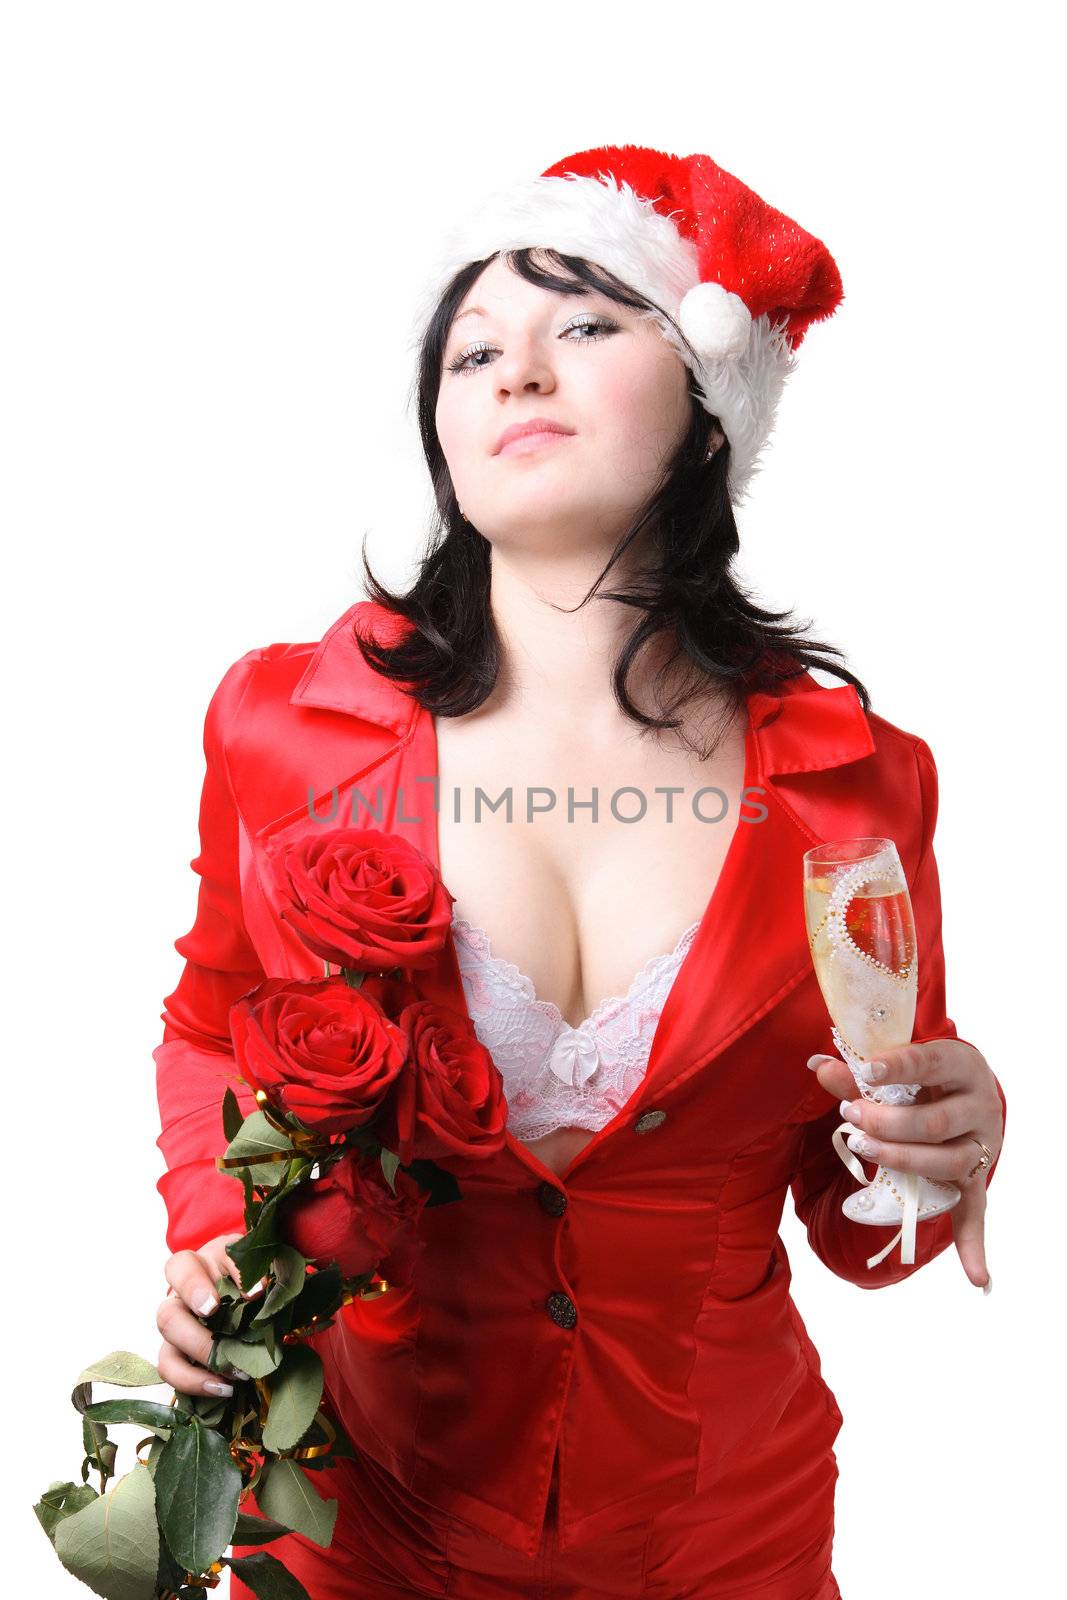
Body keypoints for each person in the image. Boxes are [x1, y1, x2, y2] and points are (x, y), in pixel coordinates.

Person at [153, 145, 1006, 1599]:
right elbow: (208, 1022)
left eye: (588, 326)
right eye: (473, 349)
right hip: (361, 1529)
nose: (515, 372)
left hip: (726, 1531)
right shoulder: (282, 728)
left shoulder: (862, 785)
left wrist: (944, 1151)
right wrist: (217, 1237)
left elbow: (861, 1212)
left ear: (709, 408)